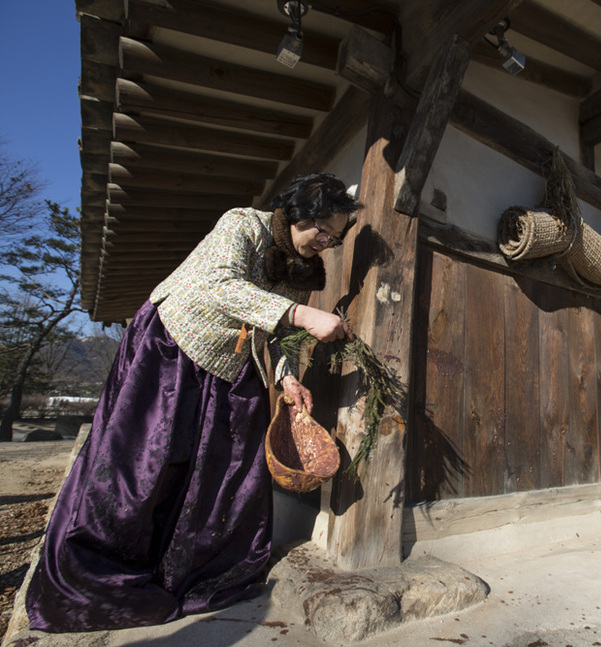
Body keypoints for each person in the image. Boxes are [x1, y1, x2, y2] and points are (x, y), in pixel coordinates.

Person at [25, 172, 362, 632]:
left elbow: (280, 334)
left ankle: (191, 570)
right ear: (299, 213)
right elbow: (217, 285)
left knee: (227, 472)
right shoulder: (242, 224)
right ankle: (104, 574)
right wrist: (303, 313)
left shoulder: (299, 270)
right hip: (171, 346)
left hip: (231, 364)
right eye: (322, 229)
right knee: (144, 465)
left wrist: (287, 379)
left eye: (336, 237)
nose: (326, 241)